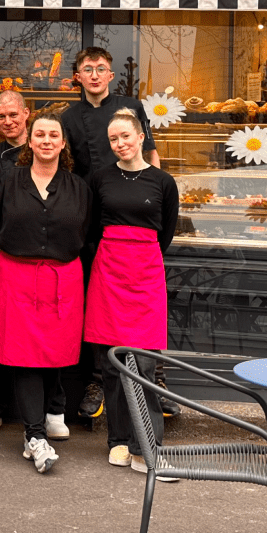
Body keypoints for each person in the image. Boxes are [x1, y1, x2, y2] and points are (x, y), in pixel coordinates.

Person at [59, 46, 176, 421]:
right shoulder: (69, 117)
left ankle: (156, 378)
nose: (94, 74)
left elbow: (153, 156)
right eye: (87, 69)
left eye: (101, 69)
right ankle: (98, 380)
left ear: (111, 75)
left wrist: (152, 192)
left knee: (146, 314)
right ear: (78, 76)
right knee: (101, 311)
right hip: (96, 219)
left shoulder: (130, 106)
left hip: (138, 223)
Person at [0, 112, 91, 473]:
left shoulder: (79, 188)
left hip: (64, 277)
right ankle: (34, 435)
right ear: (30, 141)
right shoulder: (8, 182)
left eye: (53, 135)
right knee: (25, 353)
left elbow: (87, 235)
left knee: (54, 349)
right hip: (17, 275)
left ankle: (51, 412)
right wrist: (19, 253)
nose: (46, 140)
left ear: (63, 143)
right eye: (39, 134)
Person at [84, 108, 179, 477]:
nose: (120, 144)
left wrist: (140, 255)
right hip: (109, 272)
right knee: (111, 364)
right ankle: (118, 441)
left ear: (141, 137)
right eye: (113, 139)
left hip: (145, 275)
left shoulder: (163, 181)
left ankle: (147, 450)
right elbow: (92, 229)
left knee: (144, 364)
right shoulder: (100, 179)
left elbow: (165, 233)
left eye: (126, 136)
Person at [0, 91, 69, 441]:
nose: (8, 121)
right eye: (0, 116)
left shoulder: (51, 150)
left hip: (51, 262)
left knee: (51, 334)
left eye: (13, 114)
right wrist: (16, 239)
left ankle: (54, 407)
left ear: (26, 113)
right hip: (0, 258)